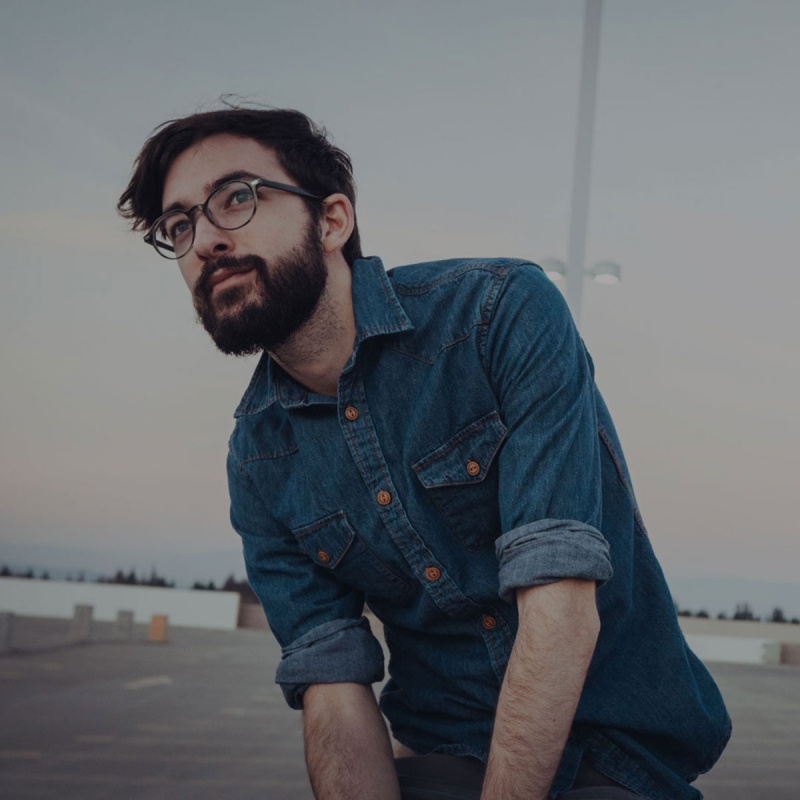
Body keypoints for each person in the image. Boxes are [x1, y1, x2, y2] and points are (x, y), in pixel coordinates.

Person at [118, 105, 731, 800]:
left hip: (619, 755)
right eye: (180, 226)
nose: (205, 241)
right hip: (442, 755)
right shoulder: (258, 460)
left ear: (332, 221)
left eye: (237, 198)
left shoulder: (497, 315)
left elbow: (559, 600)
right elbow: (332, 685)